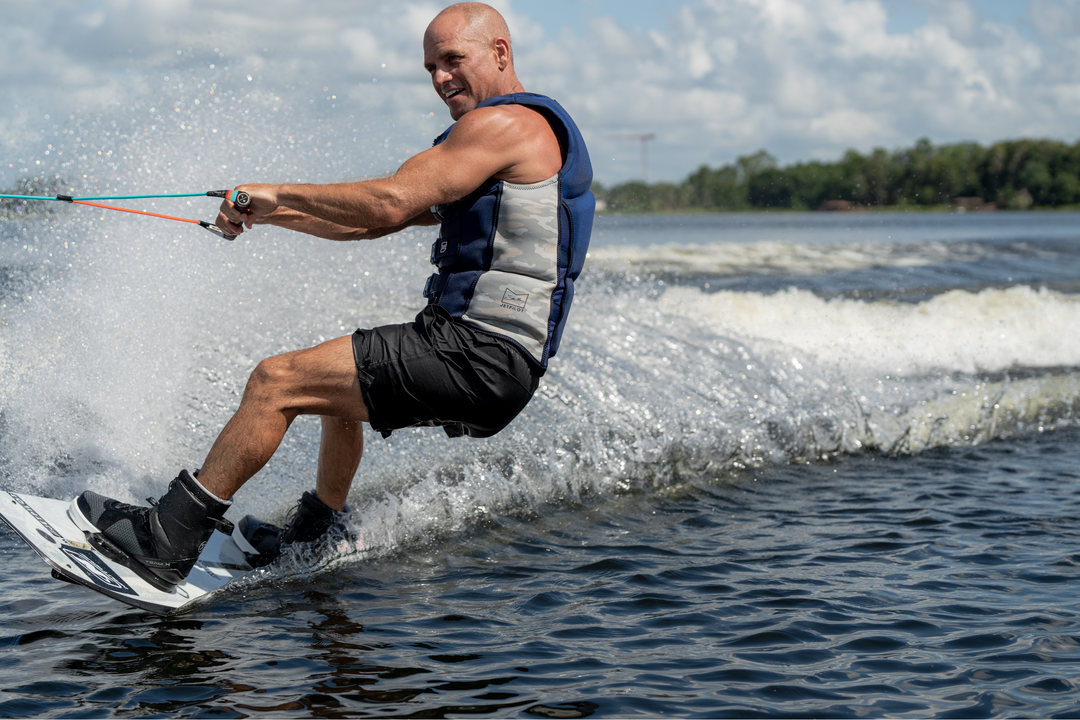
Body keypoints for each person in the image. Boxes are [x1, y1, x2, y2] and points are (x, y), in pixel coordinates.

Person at [67, 2, 594, 592]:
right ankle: (318, 531)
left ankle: (167, 540)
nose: (441, 78)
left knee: (276, 382)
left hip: (476, 353)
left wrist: (280, 188)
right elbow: (370, 224)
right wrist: (273, 212)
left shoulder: (508, 126)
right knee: (334, 387)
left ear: (500, 53)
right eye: (430, 68)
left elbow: (389, 200)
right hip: (491, 361)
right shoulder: (505, 146)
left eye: (453, 59)